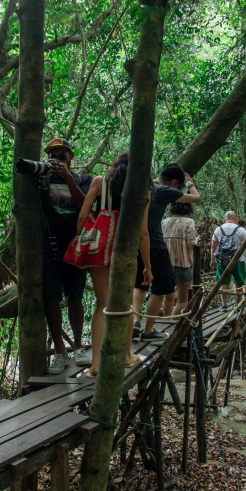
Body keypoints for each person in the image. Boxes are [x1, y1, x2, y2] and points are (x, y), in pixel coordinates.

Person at [75, 152, 152, 377]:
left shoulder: (99, 183)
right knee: (125, 304)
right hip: (125, 251)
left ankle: (96, 364)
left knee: (102, 304)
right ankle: (126, 356)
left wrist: (81, 238)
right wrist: (148, 265)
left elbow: (82, 216)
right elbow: (143, 233)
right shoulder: (142, 191)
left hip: (99, 250)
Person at [40, 138, 92, 374]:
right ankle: (60, 351)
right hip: (48, 246)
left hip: (76, 247)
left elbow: (85, 207)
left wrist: (69, 178)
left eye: (62, 156)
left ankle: (79, 345)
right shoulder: (42, 179)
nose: (57, 160)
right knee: (51, 298)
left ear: (71, 156)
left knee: (75, 297)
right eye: (53, 156)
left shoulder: (84, 180)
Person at [132, 164, 201, 342]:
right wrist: (190, 183)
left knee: (140, 285)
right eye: (178, 186)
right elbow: (196, 198)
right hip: (155, 244)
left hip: (136, 243)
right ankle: (148, 330)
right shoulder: (164, 190)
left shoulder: (146, 186)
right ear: (174, 182)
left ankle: (135, 321)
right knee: (162, 286)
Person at [210, 211, 246, 311]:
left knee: (223, 282)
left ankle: (224, 305)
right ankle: (238, 303)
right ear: (235, 219)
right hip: (238, 260)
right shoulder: (241, 230)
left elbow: (213, 246)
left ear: (225, 218)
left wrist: (212, 260)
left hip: (222, 261)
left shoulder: (218, 229)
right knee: (239, 281)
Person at [162, 202, 197, 313]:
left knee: (168, 297)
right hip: (184, 262)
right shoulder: (189, 222)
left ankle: (165, 324)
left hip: (165, 263)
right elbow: (190, 243)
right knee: (182, 299)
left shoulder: (164, 222)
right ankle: (174, 324)